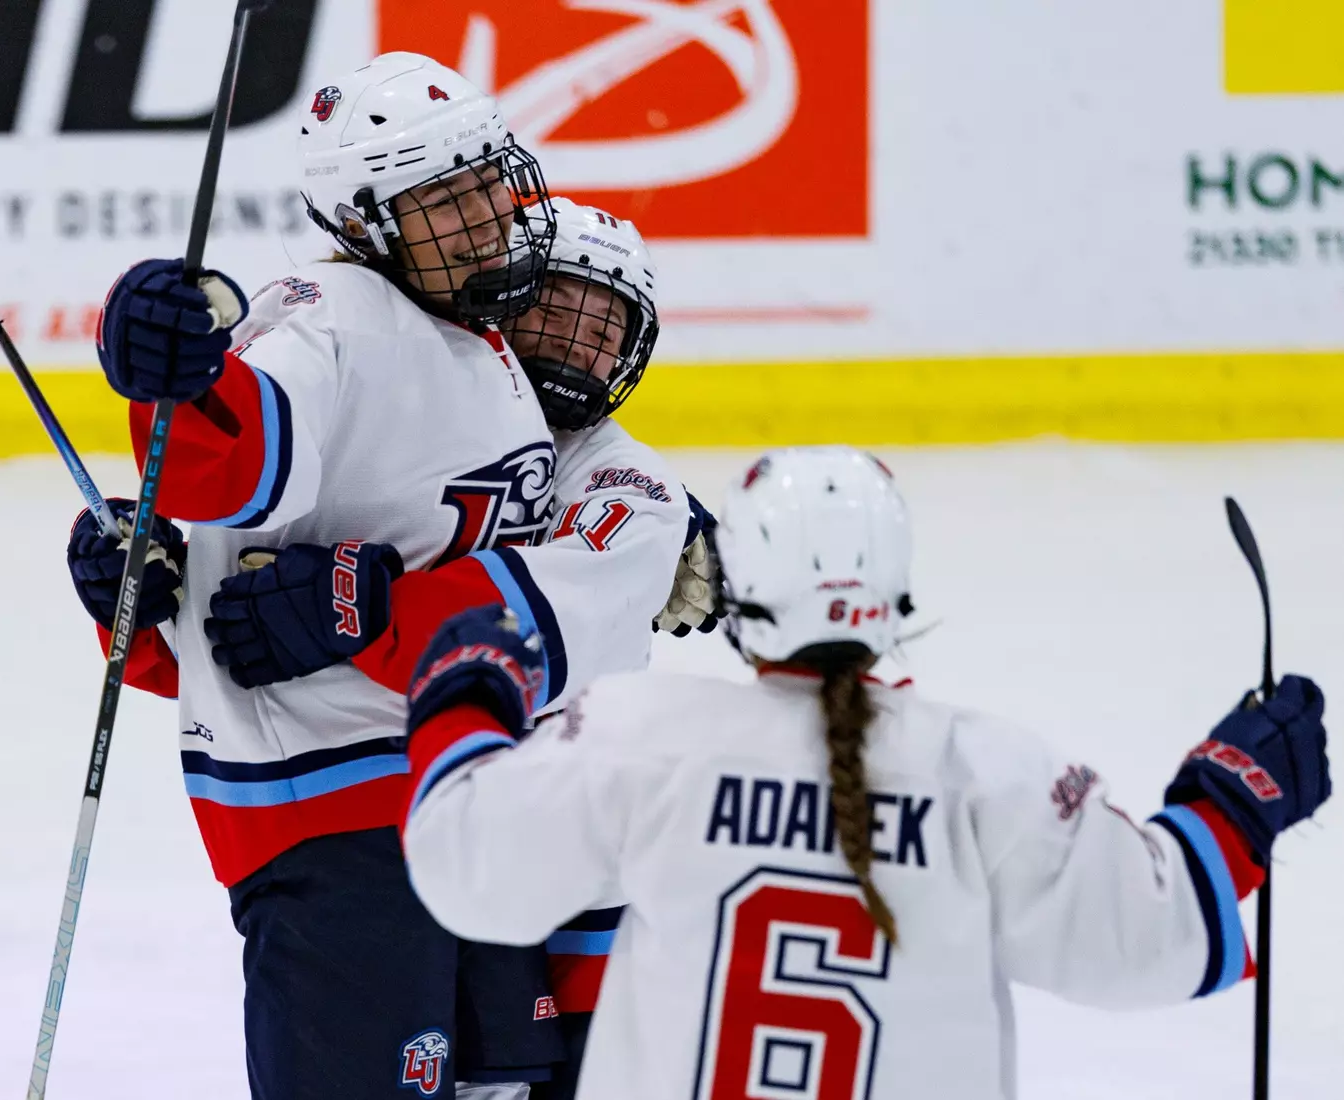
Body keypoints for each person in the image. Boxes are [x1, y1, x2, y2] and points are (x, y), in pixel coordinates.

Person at [67, 52, 689, 1100]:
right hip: (340, 812)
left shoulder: (621, 474)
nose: (575, 343)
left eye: (605, 321)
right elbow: (241, 477)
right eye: (558, 310)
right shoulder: (345, 315)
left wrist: (365, 609)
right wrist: (169, 395)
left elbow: (547, 635)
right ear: (372, 222)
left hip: (506, 823)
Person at [396, 445, 1332, 1100]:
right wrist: (1234, 800)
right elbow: (1155, 937)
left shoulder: (646, 734)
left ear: (741, 591)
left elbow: (469, 873)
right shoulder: (986, 770)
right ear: (894, 596)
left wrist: (461, 705)